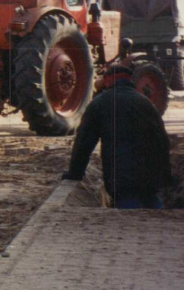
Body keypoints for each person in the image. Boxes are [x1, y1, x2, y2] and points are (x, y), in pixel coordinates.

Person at [63, 63, 172, 208]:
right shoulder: (146, 104)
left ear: (108, 80)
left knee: (128, 218)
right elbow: (162, 141)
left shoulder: (99, 104)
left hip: (122, 181)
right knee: (155, 210)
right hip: (150, 180)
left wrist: (75, 173)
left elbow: (84, 143)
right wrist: (165, 176)